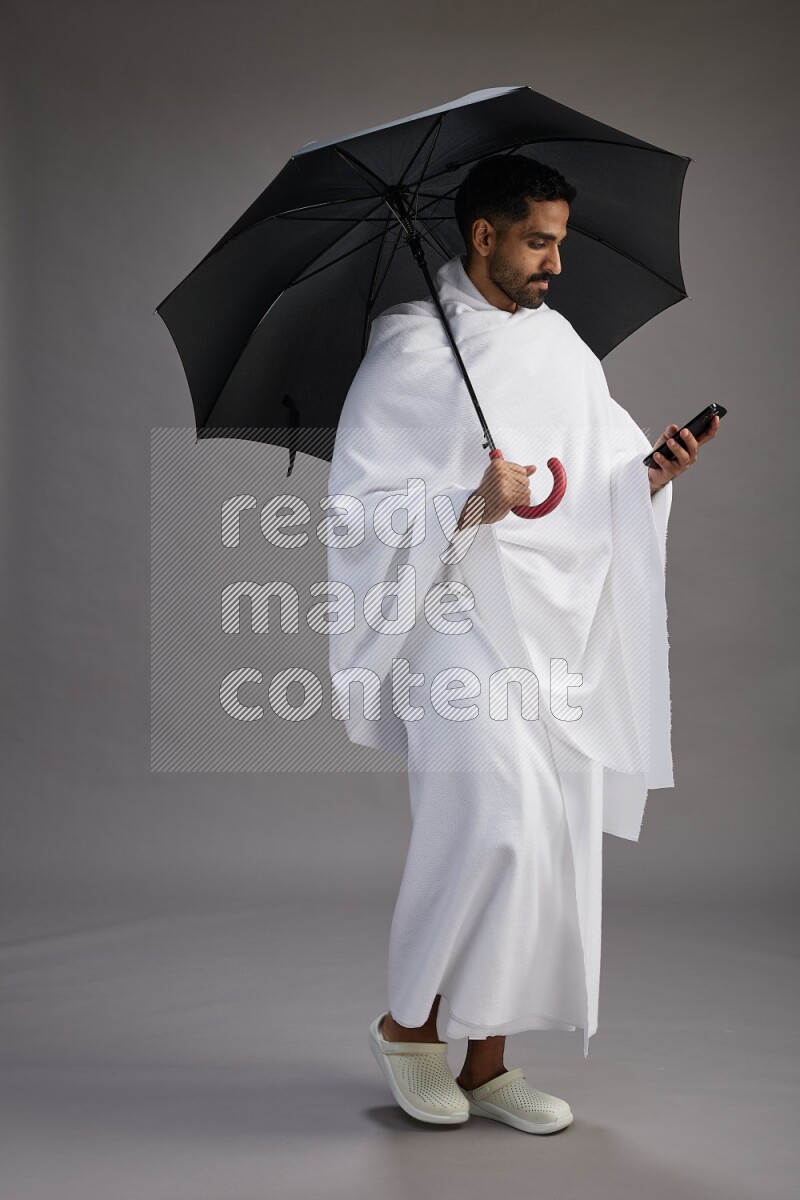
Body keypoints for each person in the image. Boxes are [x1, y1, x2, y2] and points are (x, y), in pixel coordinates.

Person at [327, 155, 720, 1134]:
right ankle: (407, 1026)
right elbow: (356, 510)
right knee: (488, 816)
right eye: (538, 241)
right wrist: (466, 502)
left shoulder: (562, 349)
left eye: (559, 241)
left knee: (546, 832)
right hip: (451, 619)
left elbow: (594, 481)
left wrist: (648, 480)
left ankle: (488, 1061)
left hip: (550, 626)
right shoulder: (411, 348)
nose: (554, 261)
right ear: (483, 236)